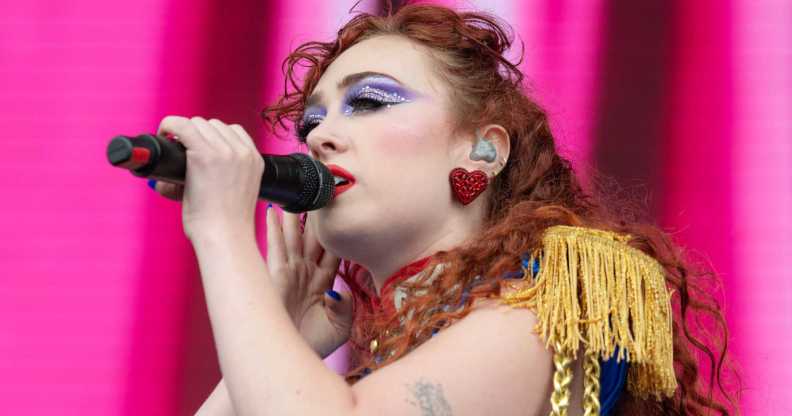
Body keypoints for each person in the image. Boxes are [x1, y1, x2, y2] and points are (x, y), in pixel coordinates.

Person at [150, 3, 738, 415]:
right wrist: (283, 337)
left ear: (482, 150)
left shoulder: (545, 309)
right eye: (311, 124)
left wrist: (223, 233)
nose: (320, 135)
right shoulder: (407, 354)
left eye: (369, 101)